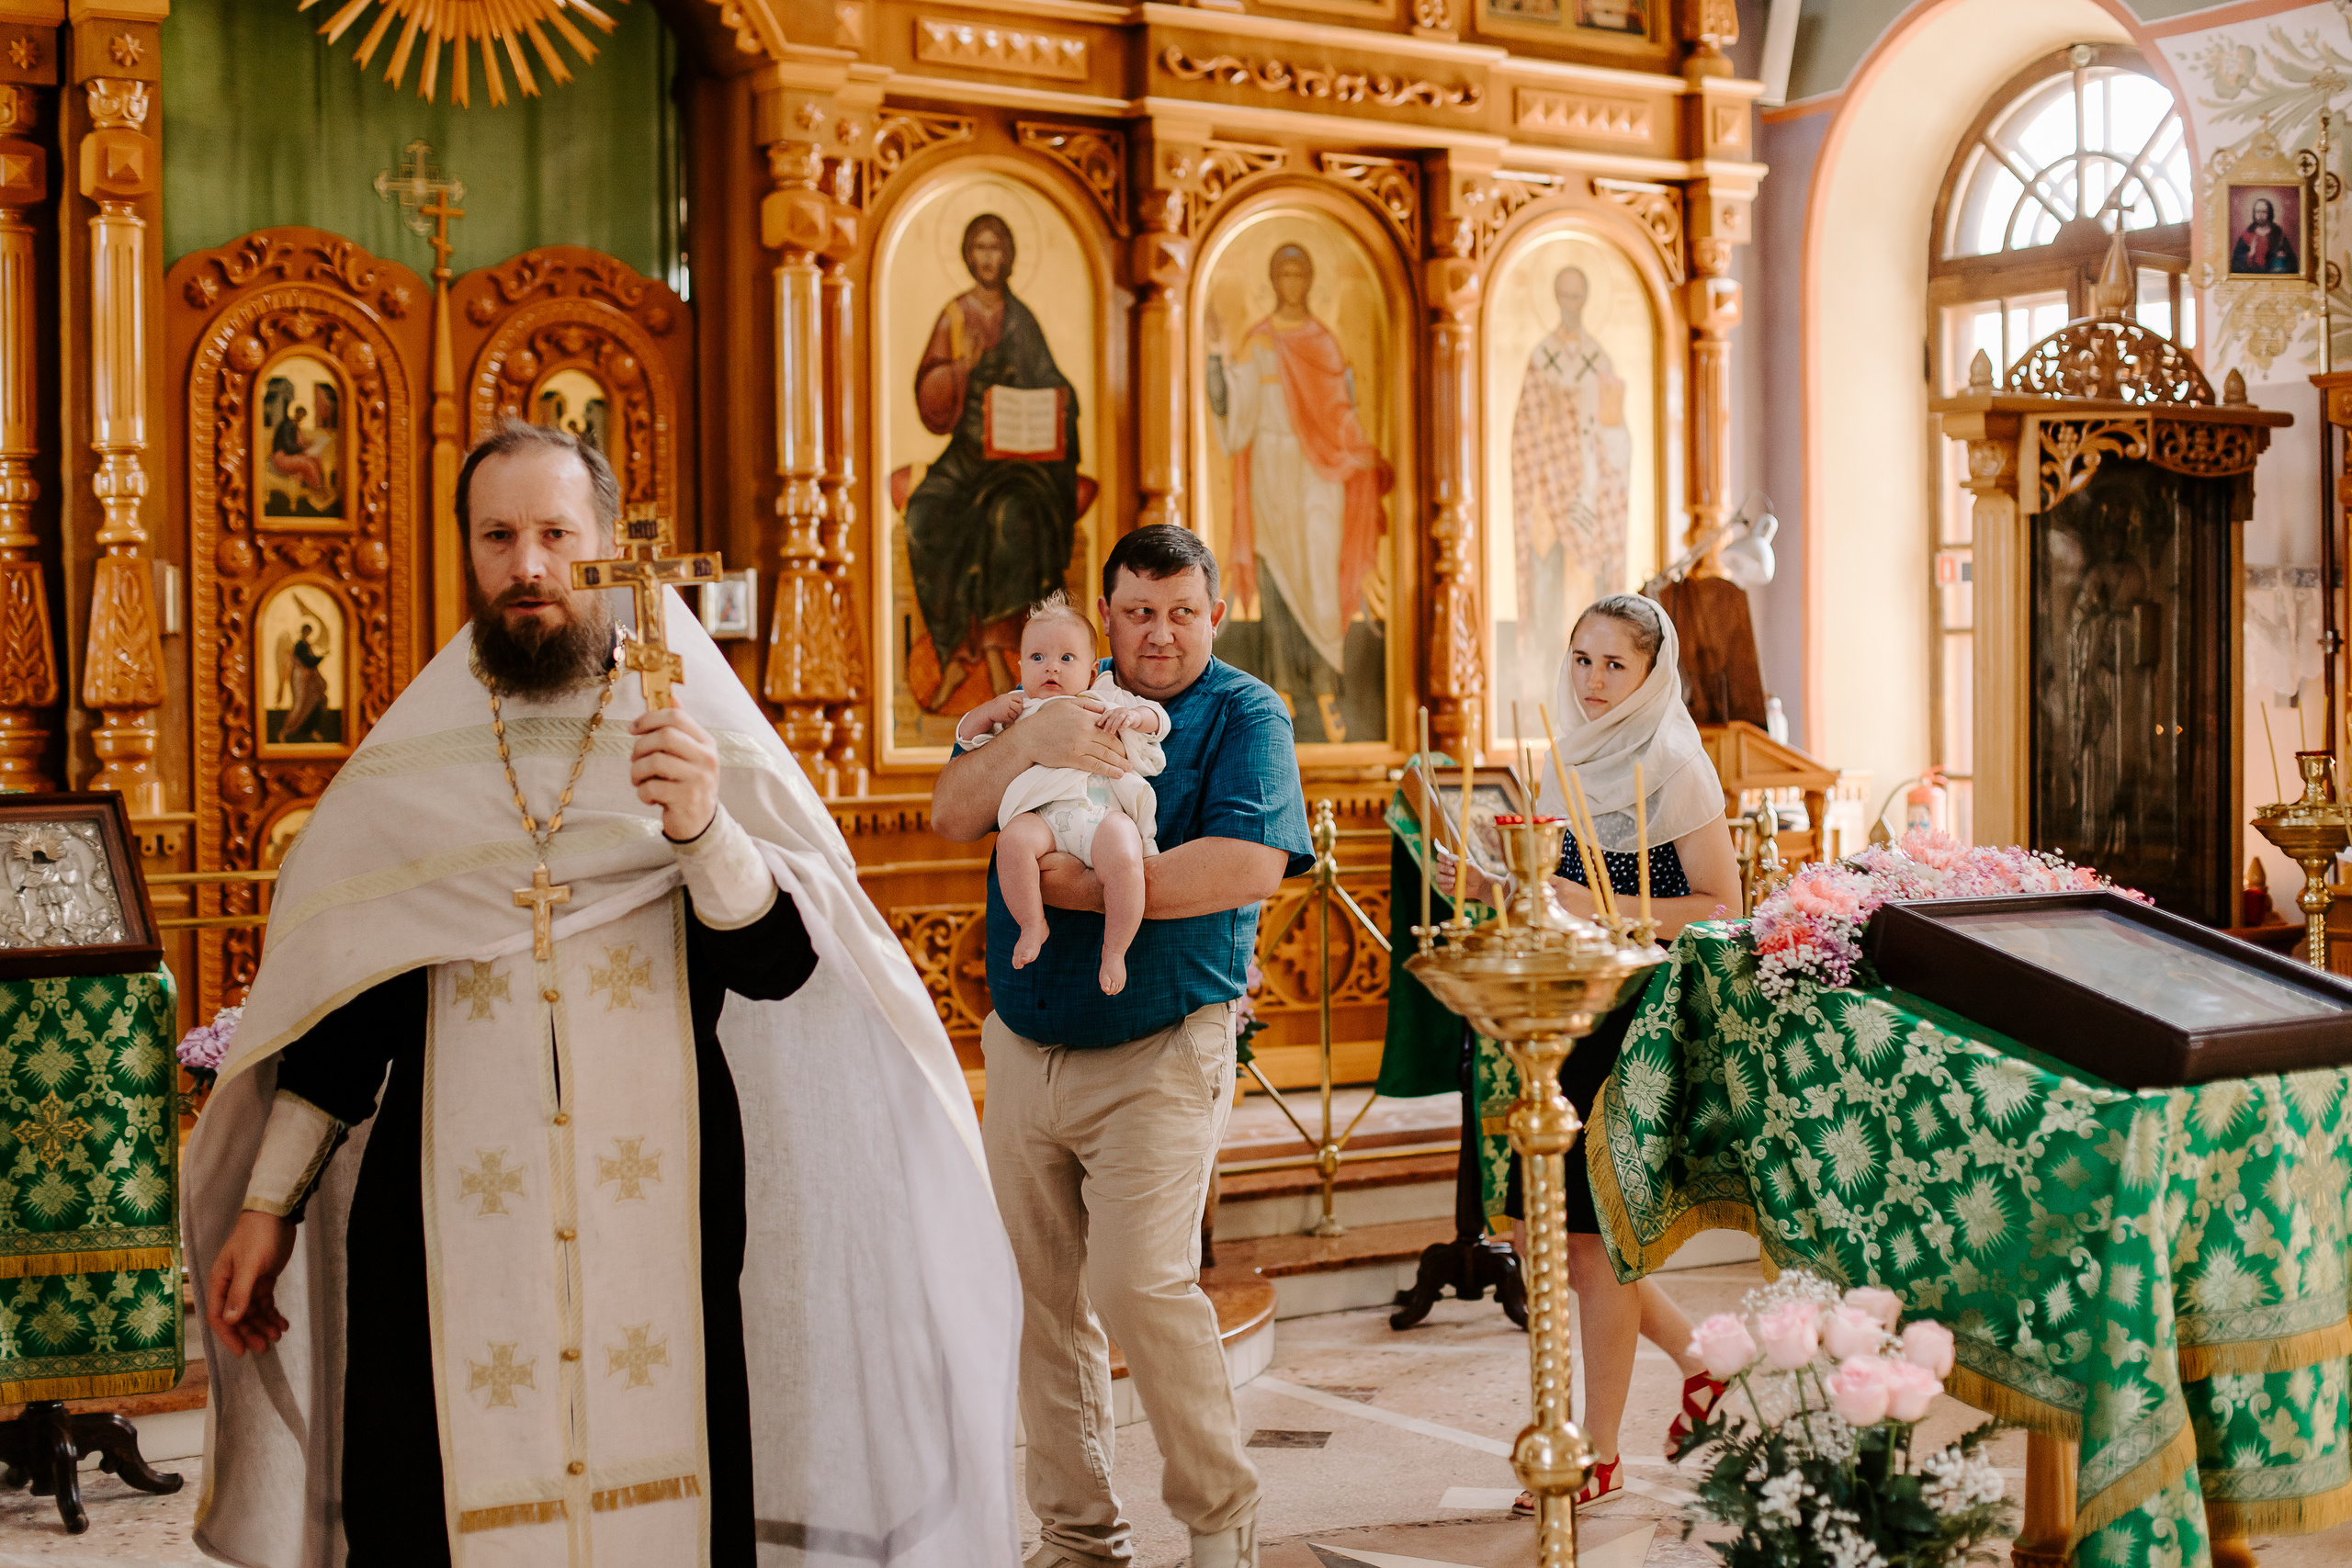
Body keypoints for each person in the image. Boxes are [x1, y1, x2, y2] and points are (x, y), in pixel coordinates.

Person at [185, 420, 1021, 1568]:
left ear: (607, 548)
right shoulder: (410, 767)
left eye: (553, 536)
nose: (526, 565)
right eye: (498, 538)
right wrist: (267, 1206)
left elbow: (777, 965)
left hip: (664, 1211)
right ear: (469, 554)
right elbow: (346, 1017)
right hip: (438, 1237)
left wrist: (702, 827)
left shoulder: (689, 727)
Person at [931, 525, 1313, 1568]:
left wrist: (1086, 889)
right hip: (1023, 1042)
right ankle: (1077, 1536)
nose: (1159, 633)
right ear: (1107, 615)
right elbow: (952, 810)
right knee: (1042, 1302)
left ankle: (1219, 1521)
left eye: (1181, 612)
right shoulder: (1051, 694)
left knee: (1139, 1282)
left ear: (1214, 614)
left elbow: (1244, 867)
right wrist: (1027, 744)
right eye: (1138, 612)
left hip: (1162, 1045)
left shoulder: (1244, 713)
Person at [1434, 592, 1741, 1514]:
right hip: (1556, 1007)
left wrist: (1592, 907)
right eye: (1580, 660)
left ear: (1653, 674)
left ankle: (1596, 1453)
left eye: (1615, 665)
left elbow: (1721, 904)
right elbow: (1551, 890)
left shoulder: (1674, 763)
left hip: (1632, 1017)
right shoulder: (1560, 759)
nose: (1594, 681)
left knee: (1591, 1240)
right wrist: (1487, 885)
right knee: (1543, 1236)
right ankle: (1701, 1359)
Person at [1205, 243, 1392, 743]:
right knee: (1276, 579)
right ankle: (1284, 689)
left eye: (1299, 273)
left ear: (1309, 280)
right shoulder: (1259, 341)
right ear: (1273, 279)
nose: (1291, 283)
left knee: (1319, 576)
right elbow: (1234, 409)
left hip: (1319, 476)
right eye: (1282, 274)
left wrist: (1358, 452)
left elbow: (1341, 413)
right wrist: (1214, 356)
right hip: (1270, 469)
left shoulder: (1324, 343)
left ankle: (1328, 686)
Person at [905, 212, 1086, 709]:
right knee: (924, 513)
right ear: (968, 254)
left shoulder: (1020, 318)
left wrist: (1056, 399)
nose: (988, 258)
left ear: (1008, 256)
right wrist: (959, 370)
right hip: (968, 454)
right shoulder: (956, 315)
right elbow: (931, 400)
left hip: (1022, 462)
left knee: (1009, 518)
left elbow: (1054, 381)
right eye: (979, 248)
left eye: (996, 248)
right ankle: (956, 650)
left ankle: (999, 652)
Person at [954, 592, 1168, 995]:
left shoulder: (1104, 697)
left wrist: (1134, 716)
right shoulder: (1018, 709)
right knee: (1013, 843)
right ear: (1020, 668)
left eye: (1066, 659)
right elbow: (967, 738)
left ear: (1091, 673)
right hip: (1045, 819)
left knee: (1126, 858)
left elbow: (1159, 720)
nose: (1051, 667)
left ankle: (1116, 948)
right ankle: (1033, 923)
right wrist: (989, 712)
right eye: (1037, 658)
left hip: (1101, 813)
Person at [1508, 265, 1631, 715]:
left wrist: (1591, 487)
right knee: (1547, 601)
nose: (1571, 306)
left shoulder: (1600, 361)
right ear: (1557, 300)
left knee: (1586, 602)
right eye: (1565, 297)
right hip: (1546, 505)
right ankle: (1548, 696)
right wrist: (1546, 487)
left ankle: (1586, 704)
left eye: (1578, 298)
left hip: (1589, 508)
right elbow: (1524, 435)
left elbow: (1617, 438)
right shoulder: (1542, 358)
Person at [2233, 197, 2299, 275]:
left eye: (2264, 212)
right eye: (2257, 212)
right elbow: (2235, 262)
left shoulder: (2278, 233)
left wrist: (2283, 256)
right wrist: (2249, 255)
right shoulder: (2247, 234)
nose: (2260, 216)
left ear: (2269, 213)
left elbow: (2292, 262)